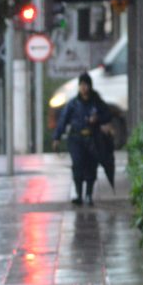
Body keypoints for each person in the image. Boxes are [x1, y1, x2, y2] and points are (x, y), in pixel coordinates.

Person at [53, 72, 111, 206]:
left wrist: (98, 119)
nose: (84, 88)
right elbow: (63, 120)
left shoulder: (97, 102)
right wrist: (57, 137)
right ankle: (79, 194)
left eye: (87, 85)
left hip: (92, 138)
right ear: (79, 86)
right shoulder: (73, 104)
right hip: (76, 139)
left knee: (91, 166)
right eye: (82, 85)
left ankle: (89, 195)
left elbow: (108, 115)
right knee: (77, 165)